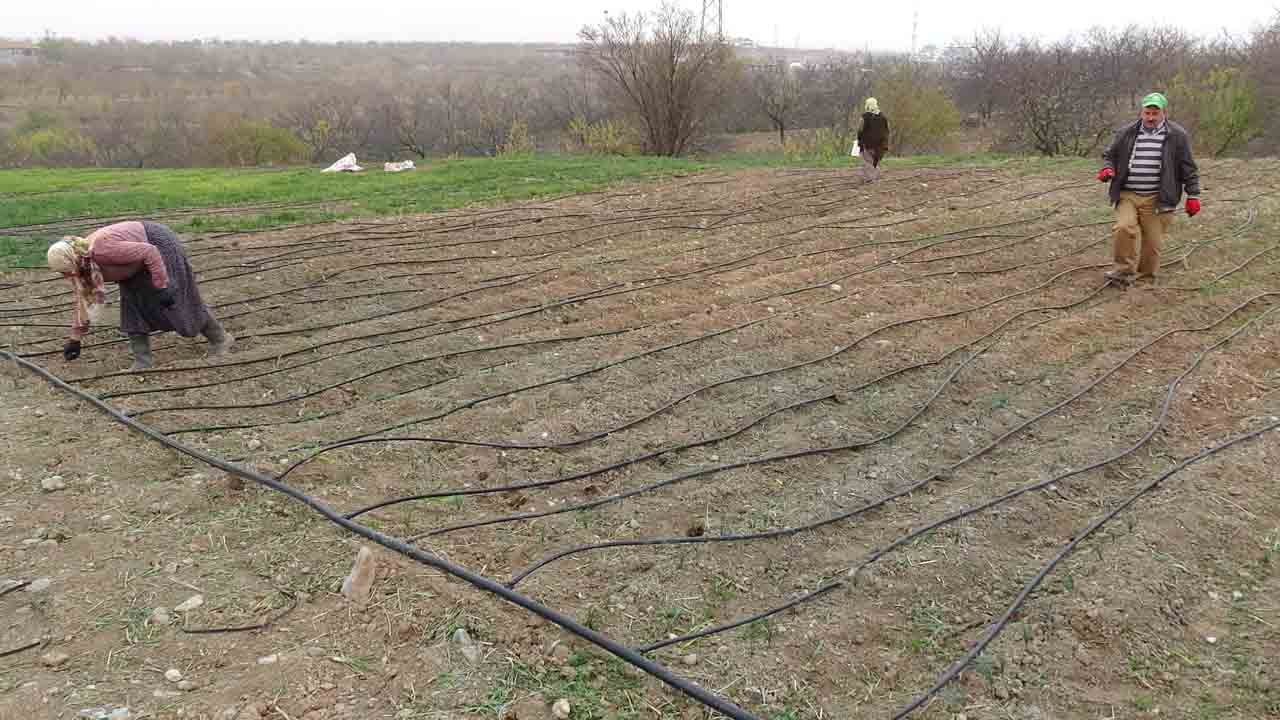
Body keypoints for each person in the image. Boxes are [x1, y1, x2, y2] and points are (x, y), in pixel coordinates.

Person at [47, 221, 232, 371]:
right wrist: (75, 338)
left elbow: (150, 251)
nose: (67, 276)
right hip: (132, 265)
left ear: (74, 259)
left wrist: (161, 286)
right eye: (63, 274)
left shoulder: (102, 250)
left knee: (175, 301)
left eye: (67, 271)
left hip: (157, 244)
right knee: (132, 307)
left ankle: (221, 339)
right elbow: (83, 300)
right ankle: (142, 362)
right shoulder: (81, 265)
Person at [1097, 92, 1201, 284]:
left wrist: (1193, 195)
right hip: (1128, 193)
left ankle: (1146, 281)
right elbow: (1110, 155)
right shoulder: (1126, 132)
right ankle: (1123, 272)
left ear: (1164, 113)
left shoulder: (1177, 136)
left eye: (1155, 113)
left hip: (1158, 197)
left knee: (1152, 242)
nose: (1151, 117)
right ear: (1141, 113)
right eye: (1147, 113)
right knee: (1123, 228)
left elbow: (1188, 167)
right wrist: (1107, 169)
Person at [856, 97, 889, 182]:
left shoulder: (864, 117)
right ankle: (876, 178)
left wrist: (859, 139)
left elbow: (860, 130)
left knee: (867, 162)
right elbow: (886, 131)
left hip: (867, 144)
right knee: (876, 161)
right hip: (880, 145)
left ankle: (869, 179)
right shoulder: (883, 117)